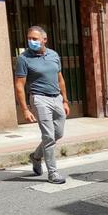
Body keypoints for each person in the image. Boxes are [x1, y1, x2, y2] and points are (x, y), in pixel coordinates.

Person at [14, 26, 69, 184]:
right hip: (39, 99)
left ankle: (36, 156)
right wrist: (25, 109)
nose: (31, 41)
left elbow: (60, 79)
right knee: (48, 136)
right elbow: (19, 85)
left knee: (58, 134)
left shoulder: (53, 55)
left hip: (56, 97)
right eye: (29, 38)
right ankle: (53, 173)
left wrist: (65, 100)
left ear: (44, 40)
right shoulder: (24, 58)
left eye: (35, 39)